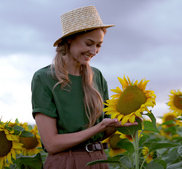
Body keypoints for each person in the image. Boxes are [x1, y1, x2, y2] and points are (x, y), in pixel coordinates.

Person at [31, 6, 137, 169]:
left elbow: (103, 132)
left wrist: (120, 123)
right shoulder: (44, 78)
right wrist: (100, 127)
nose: (93, 51)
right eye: (89, 43)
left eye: (99, 45)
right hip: (66, 162)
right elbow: (51, 144)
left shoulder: (97, 77)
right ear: (69, 39)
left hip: (100, 160)